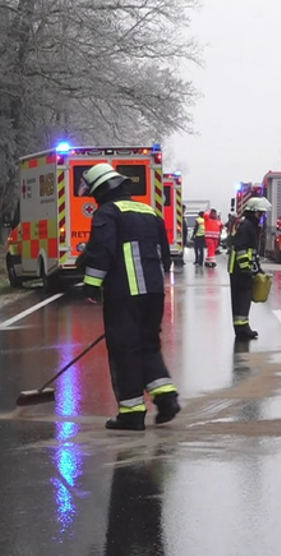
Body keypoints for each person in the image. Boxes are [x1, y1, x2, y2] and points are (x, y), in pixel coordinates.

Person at [78, 163, 181, 431]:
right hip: (154, 293)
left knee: (125, 350)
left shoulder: (107, 213)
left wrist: (91, 285)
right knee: (148, 345)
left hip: (124, 294)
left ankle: (132, 413)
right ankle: (166, 397)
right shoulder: (149, 211)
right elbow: (166, 257)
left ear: (100, 190)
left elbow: (102, 251)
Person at [228, 197, 271, 340]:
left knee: (242, 299)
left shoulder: (247, 224)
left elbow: (252, 251)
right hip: (240, 270)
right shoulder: (247, 226)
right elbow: (241, 249)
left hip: (241, 269)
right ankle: (242, 329)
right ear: (254, 212)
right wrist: (247, 268)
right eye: (260, 213)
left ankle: (242, 327)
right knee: (242, 298)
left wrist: (257, 269)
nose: (262, 216)